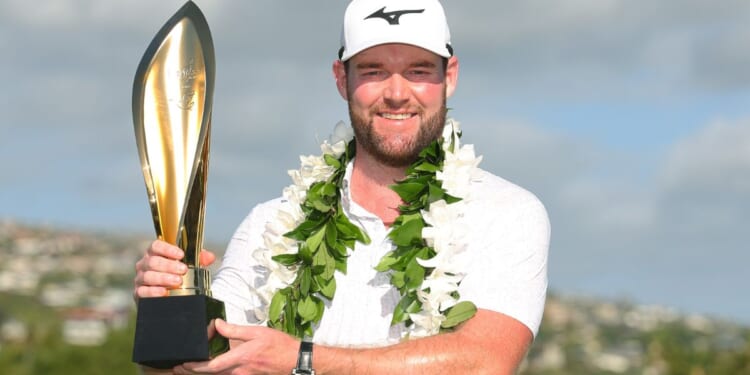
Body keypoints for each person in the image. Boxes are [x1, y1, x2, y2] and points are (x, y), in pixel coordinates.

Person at [134, 0, 550, 373]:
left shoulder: (506, 212)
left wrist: (302, 360)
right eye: (373, 71)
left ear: (450, 76)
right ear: (341, 79)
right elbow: (197, 366)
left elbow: (483, 363)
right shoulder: (271, 224)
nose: (397, 93)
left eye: (418, 71)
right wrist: (170, 308)